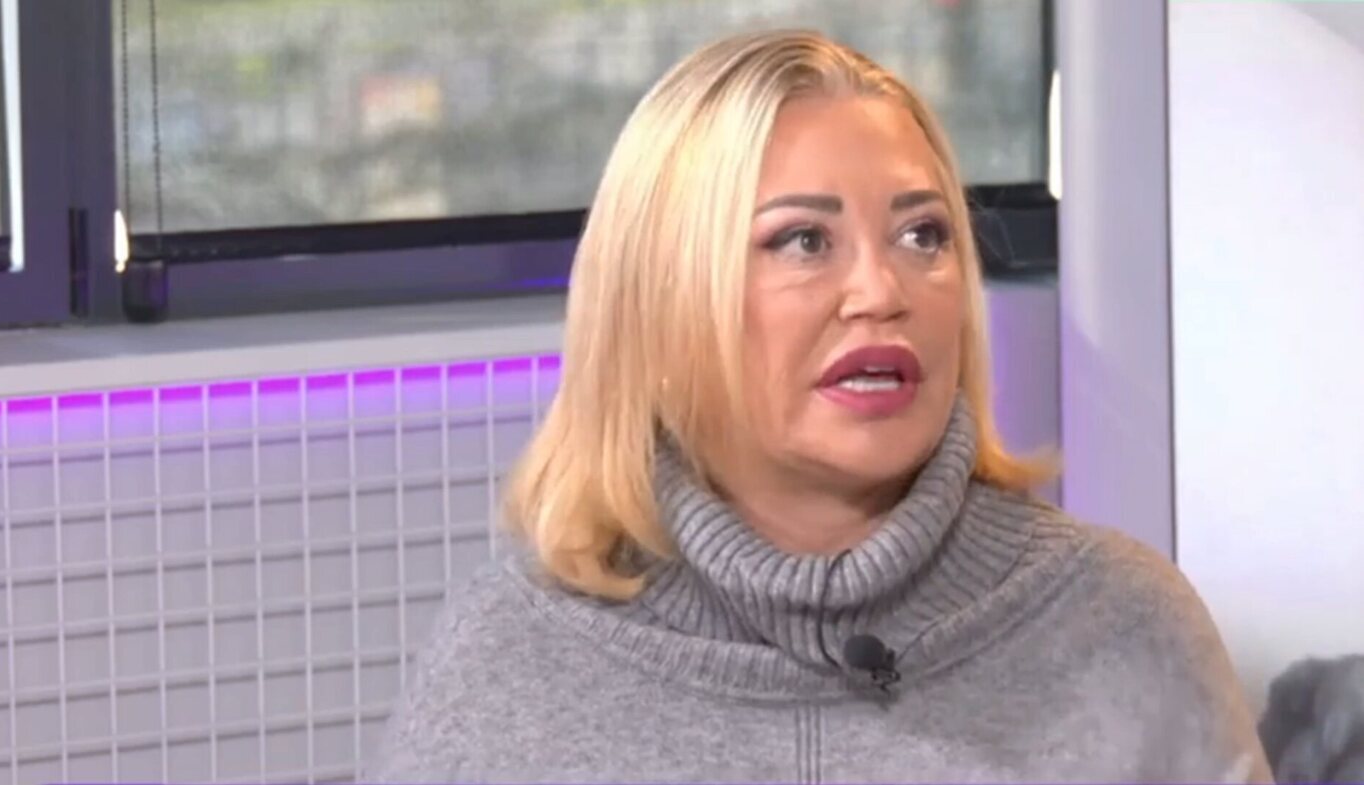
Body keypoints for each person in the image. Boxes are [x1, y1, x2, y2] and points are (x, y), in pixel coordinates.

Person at [370, 30, 1270, 783]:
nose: (881, 291)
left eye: (922, 234)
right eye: (804, 240)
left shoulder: (1125, 624)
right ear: (662, 302)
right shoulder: (509, 658)